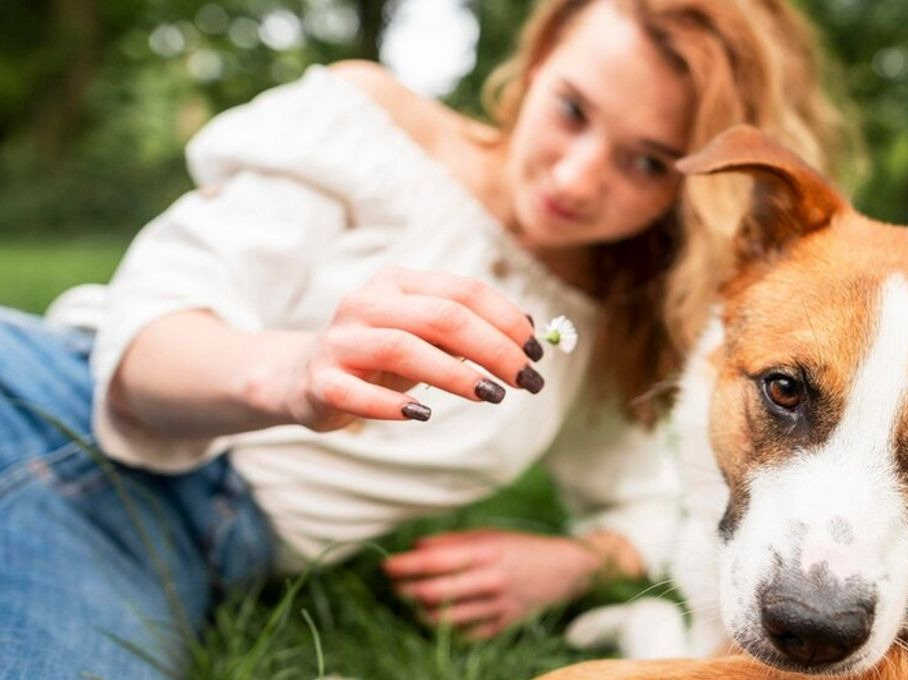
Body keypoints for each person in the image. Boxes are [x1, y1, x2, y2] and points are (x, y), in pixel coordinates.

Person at [0, 0, 849, 677]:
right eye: (572, 110)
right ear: (542, 48)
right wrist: (296, 373)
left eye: (646, 163)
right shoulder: (373, 138)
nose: (575, 177)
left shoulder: (609, 318)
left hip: (170, 548)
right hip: (49, 408)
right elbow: (142, 345)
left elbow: (653, 499)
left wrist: (573, 561)